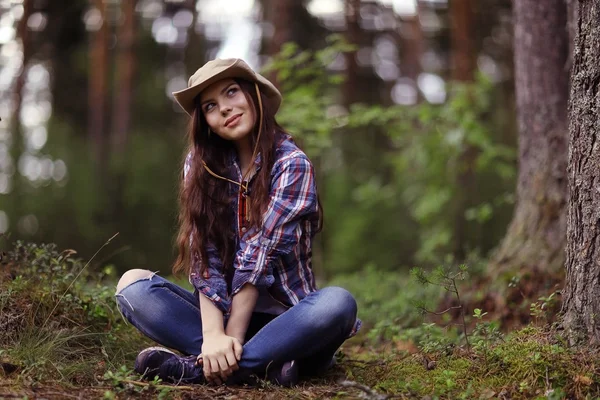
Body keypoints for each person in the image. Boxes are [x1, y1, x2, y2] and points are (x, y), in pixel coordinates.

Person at [114, 58, 361, 387]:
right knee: (132, 288)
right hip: (224, 312)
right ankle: (266, 366)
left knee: (338, 303)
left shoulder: (291, 164)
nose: (226, 109)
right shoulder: (199, 167)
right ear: (206, 122)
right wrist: (214, 334)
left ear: (253, 95)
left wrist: (229, 339)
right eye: (211, 106)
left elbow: (257, 259)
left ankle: (201, 368)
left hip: (292, 322)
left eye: (232, 92)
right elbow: (204, 255)